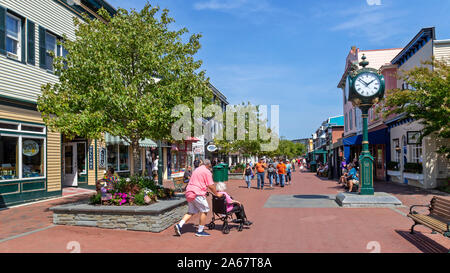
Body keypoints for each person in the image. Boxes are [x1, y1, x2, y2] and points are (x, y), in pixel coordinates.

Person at [174, 159, 221, 237]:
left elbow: (197, 181)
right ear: (208, 165)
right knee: (204, 210)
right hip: (197, 193)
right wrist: (217, 194)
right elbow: (211, 185)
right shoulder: (207, 171)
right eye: (211, 165)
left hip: (189, 192)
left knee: (190, 212)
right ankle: (200, 231)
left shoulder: (196, 170)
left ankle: (179, 225)